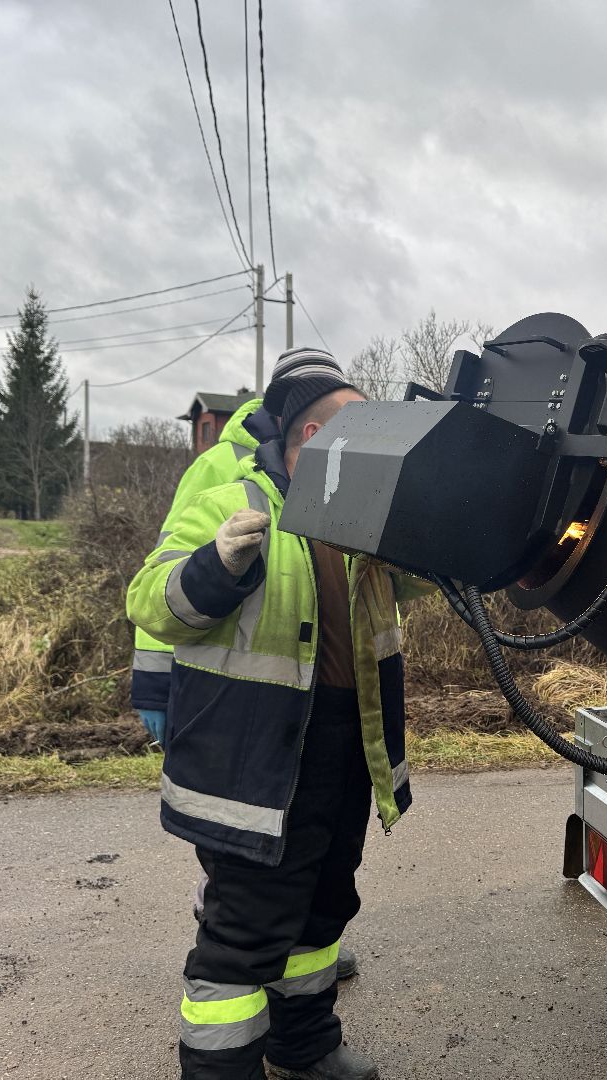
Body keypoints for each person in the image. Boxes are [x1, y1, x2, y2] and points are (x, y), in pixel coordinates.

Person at [127, 355, 424, 1080]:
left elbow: (408, 596)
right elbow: (152, 602)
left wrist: (429, 538)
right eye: (360, 423)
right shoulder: (231, 499)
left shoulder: (358, 514)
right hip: (258, 757)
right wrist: (215, 565)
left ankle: (305, 1045)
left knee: (324, 908)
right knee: (245, 935)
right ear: (316, 431)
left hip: (344, 748)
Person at [131, 349, 335, 743]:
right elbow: (165, 569)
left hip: (323, 689)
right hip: (233, 701)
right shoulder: (219, 464)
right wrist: (154, 682)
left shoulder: (337, 459)